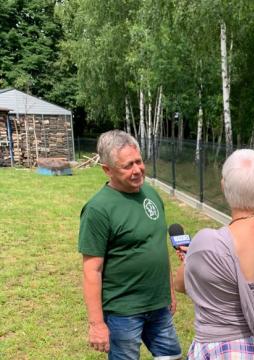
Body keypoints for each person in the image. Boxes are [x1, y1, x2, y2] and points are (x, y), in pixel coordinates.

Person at [174, 149, 254, 359]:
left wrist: (192, 259)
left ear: (223, 187)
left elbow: (180, 285)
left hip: (222, 350)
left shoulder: (207, 243)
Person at [78, 130, 182, 360]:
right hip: (123, 313)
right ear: (107, 169)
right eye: (127, 166)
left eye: (139, 161)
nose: (137, 170)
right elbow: (91, 270)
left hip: (158, 307)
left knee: (172, 356)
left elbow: (158, 246)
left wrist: (169, 291)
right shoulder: (98, 209)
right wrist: (96, 324)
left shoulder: (151, 194)